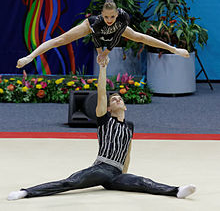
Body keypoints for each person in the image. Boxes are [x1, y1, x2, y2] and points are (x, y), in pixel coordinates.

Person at [8, 57, 196, 201]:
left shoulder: (129, 127)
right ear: (107, 108)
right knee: (71, 183)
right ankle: (26, 192)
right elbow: (101, 94)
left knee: (142, 182)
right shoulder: (104, 120)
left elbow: (127, 151)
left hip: (116, 174)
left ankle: (176, 191)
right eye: (113, 99)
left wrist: (124, 174)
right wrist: (103, 68)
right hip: (102, 168)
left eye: (120, 99)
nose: (117, 99)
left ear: (125, 107)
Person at [16, 0, 190, 70]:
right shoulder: (97, 21)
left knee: (140, 37)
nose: (109, 19)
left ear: (117, 14)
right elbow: (97, 39)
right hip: (89, 27)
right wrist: (101, 54)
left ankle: (174, 50)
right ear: (102, 14)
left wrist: (106, 54)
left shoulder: (122, 18)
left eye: (111, 16)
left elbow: (114, 38)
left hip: (113, 34)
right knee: (60, 40)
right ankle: (31, 56)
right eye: (106, 16)